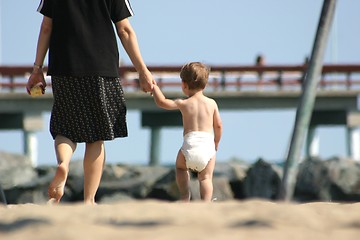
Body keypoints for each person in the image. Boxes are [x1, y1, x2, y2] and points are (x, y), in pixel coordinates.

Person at [26, 0, 154, 204]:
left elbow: (46, 27)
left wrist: (36, 69)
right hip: (100, 67)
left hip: (64, 67)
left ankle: (64, 164)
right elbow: (125, 31)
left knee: (64, 127)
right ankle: (89, 200)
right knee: (96, 136)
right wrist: (142, 70)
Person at [152, 62, 223, 202]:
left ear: (184, 85)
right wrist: (216, 142)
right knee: (206, 178)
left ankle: (185, 196)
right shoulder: (212, 103)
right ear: (206, 84)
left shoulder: (183, 103)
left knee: (180, 168)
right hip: (207, 147)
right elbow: (219, 125)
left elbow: (162, 102)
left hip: (189, 146)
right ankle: (206, 202)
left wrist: (154, 87)